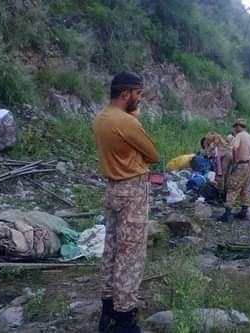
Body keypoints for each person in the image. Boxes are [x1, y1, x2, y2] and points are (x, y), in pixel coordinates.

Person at [93, 71, 160, 333]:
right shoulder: (127, 122)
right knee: (130, 254)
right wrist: (134, 118)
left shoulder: (100, 118)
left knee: (111, 248)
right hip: (132, 189)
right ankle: (125, 318)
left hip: (112, 189)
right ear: (125, 94)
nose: (140, 99)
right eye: (138, 94)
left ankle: (107, 310)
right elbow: (153, 154)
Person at [218, 119, 250, 222]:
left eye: (235, 127)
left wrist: (235, 161)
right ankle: (244, 212)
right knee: (245, 188)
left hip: (241, 165)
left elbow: (234, 148)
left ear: (238, 126)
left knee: (232, 187)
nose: (235, 129)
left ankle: (227, 214)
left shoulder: (239, 136)